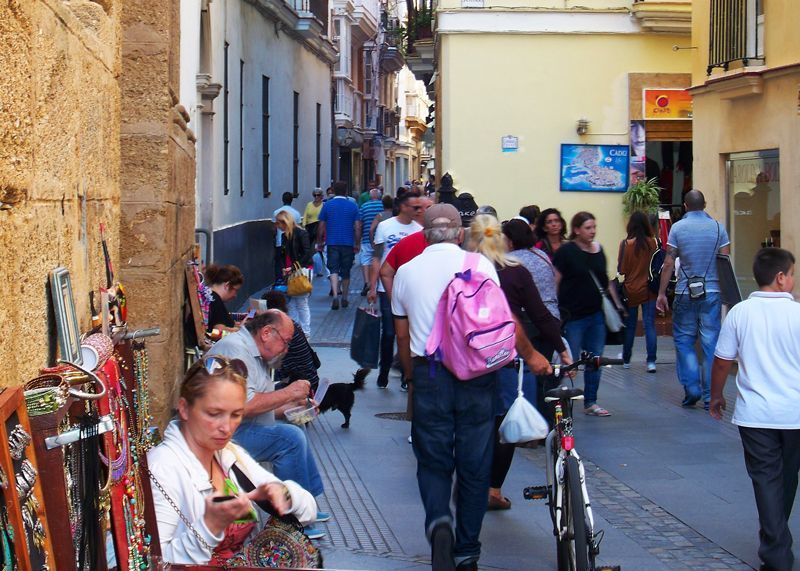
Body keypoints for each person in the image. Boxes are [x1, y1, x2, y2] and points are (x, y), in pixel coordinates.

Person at [391, 204, 546, 571]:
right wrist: (532, 354)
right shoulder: (480, 266)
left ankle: (438, 522)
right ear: (459, 234)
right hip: (477, 374)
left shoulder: (406, 272)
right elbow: (503, 319)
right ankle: (467, 552)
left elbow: (401, 334)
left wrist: (411, 377)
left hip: (430, 373)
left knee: (433, 460)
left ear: (423, 234)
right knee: (475, 464)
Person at [148, 355, 317, 564]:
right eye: (213, 413)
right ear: (184, 408)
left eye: (236, 415)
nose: (226, 427)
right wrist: (209, 526)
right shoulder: (162, 467)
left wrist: (284, 494)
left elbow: (309, 509)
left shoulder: (229, 455)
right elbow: (153, 562)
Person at [710, 248, 800, 571]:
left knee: (766, 479)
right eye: (792, 273)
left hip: (756, 416)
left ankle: (775, 547)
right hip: (794, 414)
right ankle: (776, 545)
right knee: (786, 479)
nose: (793, 279)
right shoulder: (798, 315)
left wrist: (715, 396)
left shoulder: (740, 313)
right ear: (780, 278)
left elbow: (722, 362)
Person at [468, 215, 566, 512]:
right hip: (504, 356)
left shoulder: (462, 269)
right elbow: (539, 314)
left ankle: (470, 483)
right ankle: (493, 489)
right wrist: (561, 348)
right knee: (504, 424)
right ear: (502, 239)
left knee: (472, 422)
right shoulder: (515, 271)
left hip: (466, 359)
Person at [205, 310, 329, 538]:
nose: (287, 348)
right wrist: (290, 392)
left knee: (295, 429)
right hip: (218, 433)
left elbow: (260, 405)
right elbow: (242, 405)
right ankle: (291, 518)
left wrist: (295, 408)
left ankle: (305, 501)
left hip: (236, 425)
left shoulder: (255, 355)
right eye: (286, 341)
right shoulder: (235, 351)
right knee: (290, 439)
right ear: (265, 333)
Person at [656, 189, 730, 409]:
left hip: (685, 291)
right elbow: (724, 261)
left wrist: (661, 293)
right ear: (705, 204)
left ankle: (692, 389)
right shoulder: (719, 228)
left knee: (684, 341)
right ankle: (710, 396)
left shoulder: (678, 228)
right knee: (710, 343)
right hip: (713, 292)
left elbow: (669, 263)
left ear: (685, 206)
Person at [553, 212, 624, 417]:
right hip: (573, 316)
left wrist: (617, 304)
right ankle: (559, 398)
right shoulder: (566, 252)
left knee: (596, 359)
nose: (592, 231)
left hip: (596, 315)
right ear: (577, 230)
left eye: (594, 227)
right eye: (587, 228)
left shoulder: (599, 250)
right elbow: (556, 281)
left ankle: (591, 401)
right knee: (570, 360)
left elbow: (606, 279)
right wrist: (554, 310)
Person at [501, 219, 562, 422]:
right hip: (552, 317)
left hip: (529, 323)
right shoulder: (542, 255)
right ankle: (547, 421)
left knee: (526, 375)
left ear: (509, 241)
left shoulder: (511, 261)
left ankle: (528, 423)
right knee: (545, 375)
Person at [368, 191, 423, 389]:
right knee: (390, 332)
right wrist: (372, 286)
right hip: (387, 287)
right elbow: (377, 257)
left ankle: (405, 374)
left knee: (409, 331)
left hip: (411, 287)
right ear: (402, 207)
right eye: (415, 207)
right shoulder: (385, 226)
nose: (418, 211)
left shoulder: (419, 229)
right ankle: (384, 370)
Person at [617, 211, 659, 372]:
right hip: (649, 289)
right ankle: (651, 361)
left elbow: (621, 269)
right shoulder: (653, 243)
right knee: (650, 325)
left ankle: (626, 359)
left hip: (630, 289)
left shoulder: (626, 244)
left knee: (630, 326)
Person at [262, 291, 320, 391]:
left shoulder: (281, 329)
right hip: (306, 378)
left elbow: (266, 352)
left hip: (302, 383)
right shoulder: (287, 323)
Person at [317, 181, 361, 310]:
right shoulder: (353, 206)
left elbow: (321, 226)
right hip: (348, 243)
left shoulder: (327, 205)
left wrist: (319, 242)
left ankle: (336, 295)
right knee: (346, 271)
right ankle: (345, 297)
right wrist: (357, 243)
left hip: (332, 242)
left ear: (334, 191)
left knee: (333, 269)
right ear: (346, 191)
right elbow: (358, 227)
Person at [276, 211, 314, 337]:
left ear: (285, 222)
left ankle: (305, 331)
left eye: (279, 223)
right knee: (292, 302)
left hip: (301, 271)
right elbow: (282, 255)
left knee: (301, 302)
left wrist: (292, 267)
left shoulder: (300, 233)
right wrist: (284, 268)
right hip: (290, 271)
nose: (277, 226)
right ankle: (295, 330)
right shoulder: (284, 236)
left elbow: (307, 252)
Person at [358, 189, 384, 296]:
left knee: (365, 261)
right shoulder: (382, 206)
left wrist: (358, 239)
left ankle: (367, 283)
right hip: (380, 238)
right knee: (379, 260)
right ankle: (378, 283)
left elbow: (360, 223)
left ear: (370, 196)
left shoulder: (364, 207)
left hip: (366, 239)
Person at [204, 264, 244, 333]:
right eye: (235, 290)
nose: (235, 295)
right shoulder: (215, 301)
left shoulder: (208, 295)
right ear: (227, 285)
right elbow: (218, 331)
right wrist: (239, 330)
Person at [303, 189, 327, 277]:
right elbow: (305, 215)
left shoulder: (324, 205)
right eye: (315, 195)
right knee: (308, 248)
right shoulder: (309, 204)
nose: (316, 197)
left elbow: (325, 217)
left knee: (318, 248)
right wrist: (303, 226)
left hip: (320, 227)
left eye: (318, 195)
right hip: (309, 228)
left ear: (321, 196)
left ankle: (319, 269)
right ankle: (308, 266)